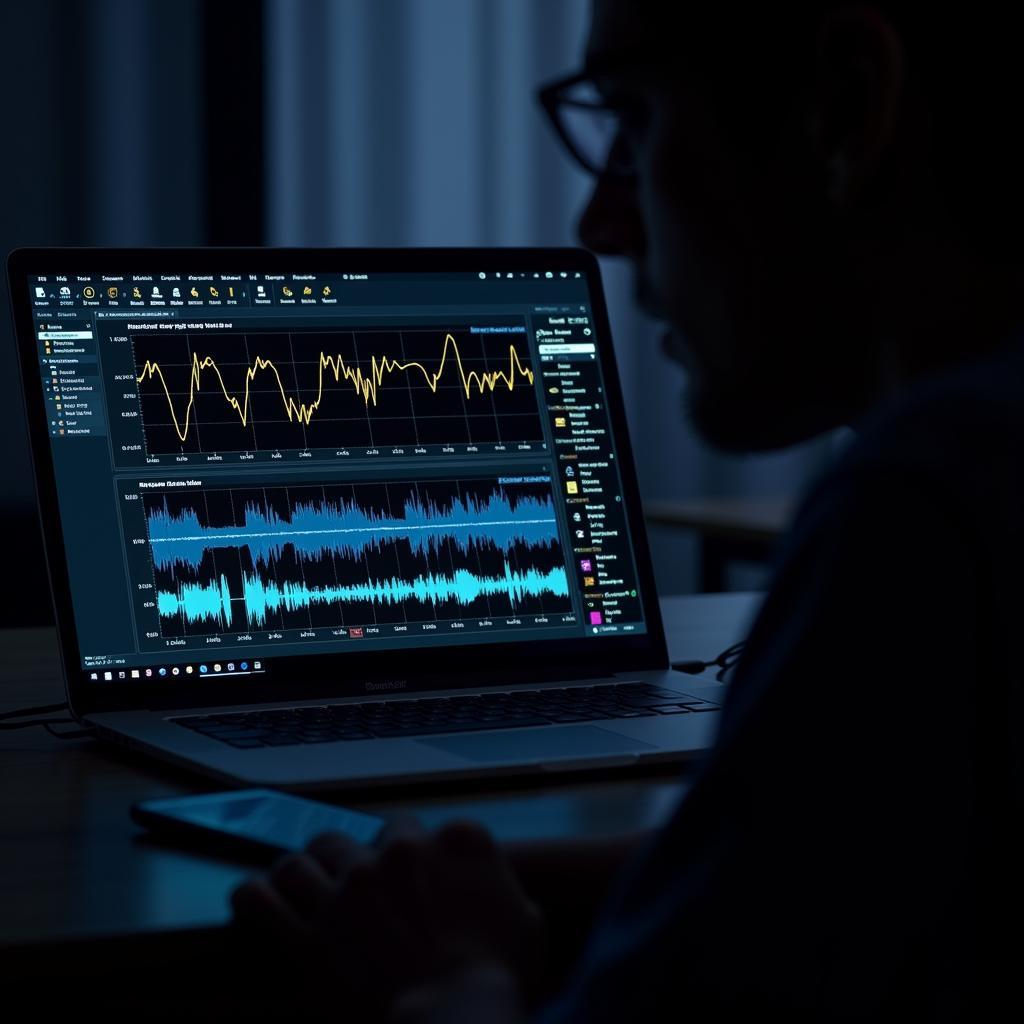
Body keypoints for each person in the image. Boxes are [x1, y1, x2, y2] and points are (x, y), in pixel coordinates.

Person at [229, 3, 1024, 1019]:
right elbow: (835, 853)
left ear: (849, 107)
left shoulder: (925, 504)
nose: (598, 226)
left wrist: (445, 979)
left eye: (634, 121)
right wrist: (456, 881)